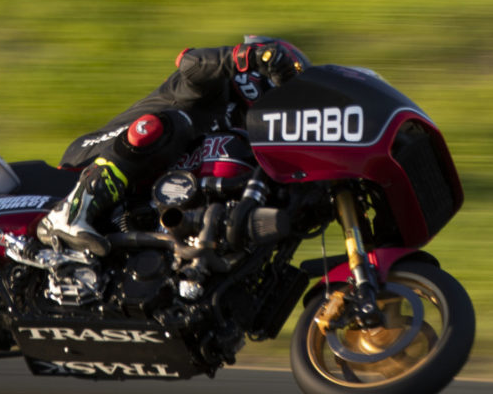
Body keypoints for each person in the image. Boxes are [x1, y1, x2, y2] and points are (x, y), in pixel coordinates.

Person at [37, 36, 310, 256]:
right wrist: (250, 56)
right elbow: (188, 61)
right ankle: (70, 212)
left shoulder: (241, 134)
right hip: (93, 154)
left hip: (141, 194)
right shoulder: (213, 87)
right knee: (175, 122)